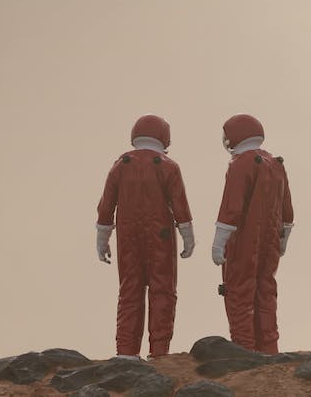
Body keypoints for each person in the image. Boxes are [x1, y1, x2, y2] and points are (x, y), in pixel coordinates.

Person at [95, 114, 196, 360]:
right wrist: (188, 236)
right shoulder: (168, 166)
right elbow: (180, 205)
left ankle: (126, 351)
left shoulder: (121, 165)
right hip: (160, 236)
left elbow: (106, 206)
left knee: (130, 290)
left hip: (128, 236)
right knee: (162, 291)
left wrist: (102, 238)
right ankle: (159, 352)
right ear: (164, 137)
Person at [210, 113, 294, 354]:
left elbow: (231, 208)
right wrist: (283, 240)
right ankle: (269, 349)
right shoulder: (276, 164)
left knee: (239, 293)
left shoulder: (240, 164)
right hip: (269, 244)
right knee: (266, 292)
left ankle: (244, 351)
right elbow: (287, 210)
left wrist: (219, 243)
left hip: (243, 242)